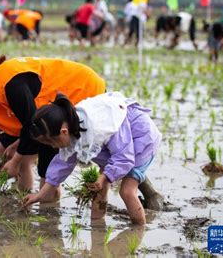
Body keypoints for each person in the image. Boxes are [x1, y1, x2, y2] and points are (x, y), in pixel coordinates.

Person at [0, 56, 106, 202]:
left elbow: (33, 125)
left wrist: (16, 161)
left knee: (48, 153)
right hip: (41, 114)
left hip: (81, 89)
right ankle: (31, 194)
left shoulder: (10, 85)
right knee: (11, 149)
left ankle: (51, 205)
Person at [24, 92, 162, 225]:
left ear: (63, 132)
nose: (52, 146)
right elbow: (62, 165)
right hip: (117, 145)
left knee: (126, 191)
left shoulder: (102, 126)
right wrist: (39, 195)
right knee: (99, 187)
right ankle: (97, 225)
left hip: (141, 139)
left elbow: (124, 157)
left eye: (51, 142)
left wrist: (104, 177)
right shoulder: (71, 128)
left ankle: (139, 229)